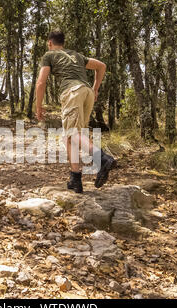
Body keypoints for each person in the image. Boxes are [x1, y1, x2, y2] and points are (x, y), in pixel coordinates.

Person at [35, 30, 116, 193]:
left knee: (72, 133)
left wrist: (38, 106)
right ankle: (75, 179)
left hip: (72, 92)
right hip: (87, 93)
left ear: (50, 43)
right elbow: (101, 66)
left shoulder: (49, 55)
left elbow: (41, 82)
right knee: (70, 137)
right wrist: (95, 88)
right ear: (63, 43)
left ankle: (102, 158)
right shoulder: (77, 55)